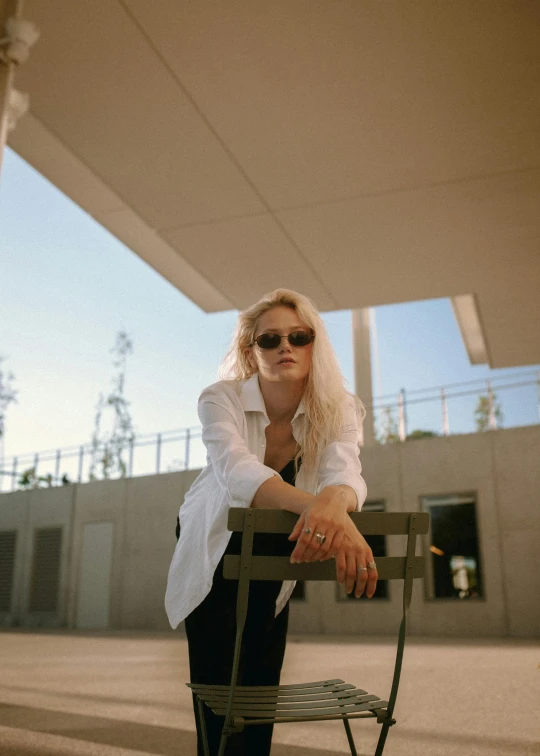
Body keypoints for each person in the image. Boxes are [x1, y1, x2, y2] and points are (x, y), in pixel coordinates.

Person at [164, 288, 378, 756]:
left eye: (299, 336)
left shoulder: (338, 406)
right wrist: (328, 513)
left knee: (261, 676)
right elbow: (236, 471)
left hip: (280, 542)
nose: (286, 346)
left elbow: (346, 474)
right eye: (270, 339)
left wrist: (334, 510)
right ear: (250, 350)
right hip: (214, 539)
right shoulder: (220, 398)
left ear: (313, 345)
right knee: (218, 686)